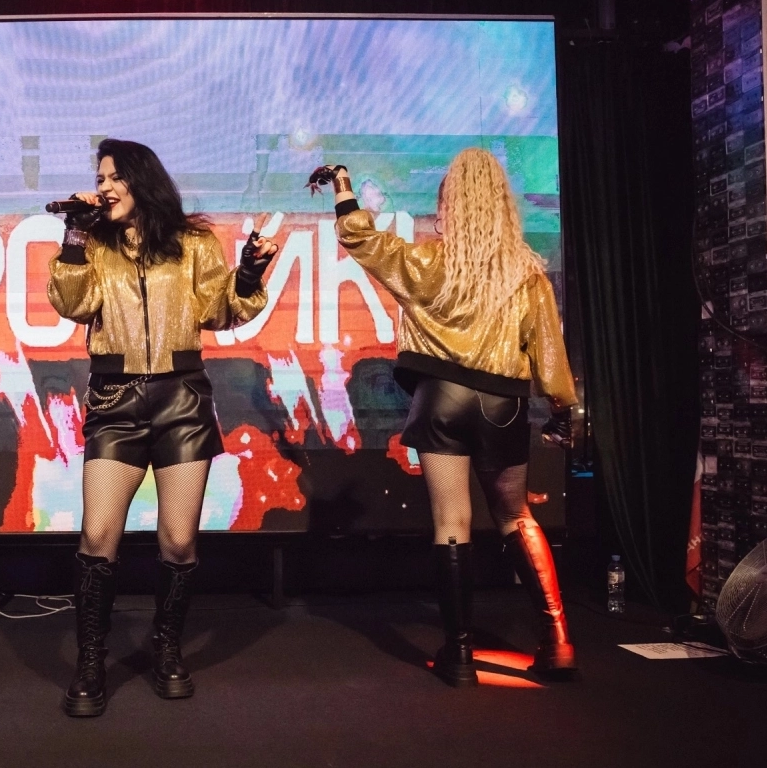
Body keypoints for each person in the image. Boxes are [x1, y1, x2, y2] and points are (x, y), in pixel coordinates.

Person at [325, 149, 578, 687]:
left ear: (450, 203)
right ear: (502, 205)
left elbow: (362, 240)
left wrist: (344, 187)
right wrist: (563, 409)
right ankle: (558, 642)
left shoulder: (427, 262)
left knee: (451, 523)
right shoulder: (527, 274)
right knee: (515, 516)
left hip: (441, 400)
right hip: (503, 404)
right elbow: (550, 357)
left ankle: (459, 654)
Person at [48, 139, 278, 716]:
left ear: (140, 178)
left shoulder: (194, 243)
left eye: (112, 177)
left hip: (181, 398)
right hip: (114, 399)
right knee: (98, 534)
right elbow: (72, 305)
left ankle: (167, 646)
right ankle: (91, 659)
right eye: (99, 179)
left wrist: (249, 272)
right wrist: (74, 235)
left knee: (178, 540)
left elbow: (221, 310)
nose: (103, 188)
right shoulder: (95, 243)